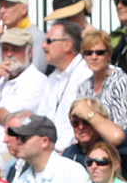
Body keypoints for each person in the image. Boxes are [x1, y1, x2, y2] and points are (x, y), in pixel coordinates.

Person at [0, 29, 47, 160]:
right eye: (5, 49)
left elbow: (9, 118)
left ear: (29, 52)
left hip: (7, 154)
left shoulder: (36, 80)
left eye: (15, 49)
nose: (9, 54)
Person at [37, 22, 91, 150]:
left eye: (49, 41)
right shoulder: (51, 78)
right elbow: (41, 119)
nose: (43, 45)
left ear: (67, 45)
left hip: (73, 151)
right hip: (47, 150)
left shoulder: (86, 75)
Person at [64, 97, 127, 183]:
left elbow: (117, 137)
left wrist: (88, 113)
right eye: (75, 122)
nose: (81, 127)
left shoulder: (113, 148)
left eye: (86, 121)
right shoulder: (69, 153)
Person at [76, 28, 127, 134]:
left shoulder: (120, 81)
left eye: (99, 52)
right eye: (88, 53)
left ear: (108, 55)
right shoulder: (83, 87)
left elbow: (123, 125)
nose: (94, 57)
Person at [0, 0, 46, 73]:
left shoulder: (37, 37)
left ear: (24, 9)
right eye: (0, 6)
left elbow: (37, 73)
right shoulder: (2, 37)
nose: (2, 11)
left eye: (7, 5)